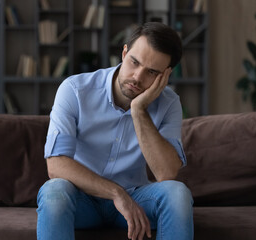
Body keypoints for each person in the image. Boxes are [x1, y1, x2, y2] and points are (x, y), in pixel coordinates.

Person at [37, 22, 193, 240]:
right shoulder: (74, 90)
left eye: (151, 72)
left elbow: (166, 174)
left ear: (165, 76)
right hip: (82, 200)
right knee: (54, 191)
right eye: (134, 62)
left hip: (137, 199)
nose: (137, 77)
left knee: (178, 194)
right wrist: (116, 193)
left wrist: (138, 110)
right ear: (124, 52)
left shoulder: (169, 104)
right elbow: (56, 165)